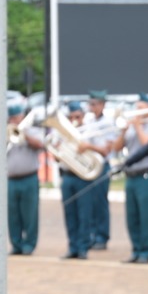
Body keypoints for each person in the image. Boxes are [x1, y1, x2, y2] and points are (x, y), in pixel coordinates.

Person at [113, 95, 148, 264]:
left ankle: (147, 251)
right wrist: (124, 131)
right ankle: (136, 249)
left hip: (147, 176)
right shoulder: (131, 126)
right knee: (132, 217)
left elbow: (147, 144)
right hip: (131, 176)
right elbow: (117, 147)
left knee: (147, 216)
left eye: (141, 108)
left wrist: (138, 126)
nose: (137, 111)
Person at [82, 90, 119, 250]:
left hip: (101, 166)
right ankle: (91, 235)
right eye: (90, 104)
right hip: (88, 166)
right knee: (89, 203)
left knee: (100, 203)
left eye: (95, 104)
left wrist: (88, 147)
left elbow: (106, 150)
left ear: (103, 104)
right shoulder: (88, 121)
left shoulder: (108, 123)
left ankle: (102, 237)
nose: (92, 107)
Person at [6, 102, 44, 255]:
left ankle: (29, 244)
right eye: (12, 118)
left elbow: (40, 145)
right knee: (13, 215)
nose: (15, 121)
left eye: (17, 117)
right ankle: (16, 244)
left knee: (30, 214)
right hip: (11, 179)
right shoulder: (6, 132)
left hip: (29, 177)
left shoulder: (33, 131)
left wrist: (24, 134)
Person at [61, 103, 94, 260]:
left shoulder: (89, 132)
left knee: (84, 214)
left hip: (82, 177)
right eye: (71, 117)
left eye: (77, 117)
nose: (74, 120)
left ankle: (83, 248)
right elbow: (57, 157)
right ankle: (72, 246)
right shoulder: (63, 133)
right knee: (69, 214)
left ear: (82, 116)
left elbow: (101, 151)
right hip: (67, 175)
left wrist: (88, 147)